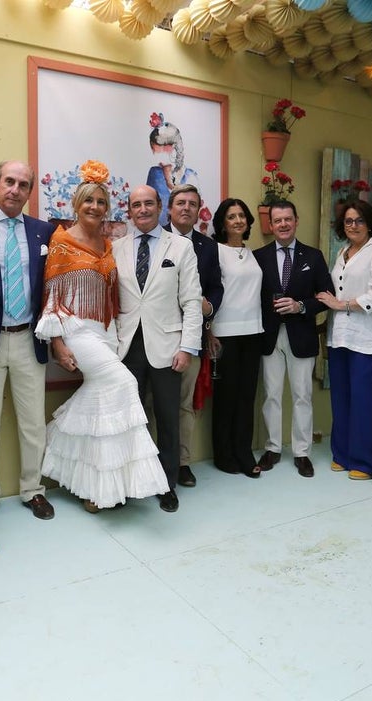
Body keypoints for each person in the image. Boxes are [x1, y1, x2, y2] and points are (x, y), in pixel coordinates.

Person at [36, 161, 168, 512]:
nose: (94, 207)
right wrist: (58, 343)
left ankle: (91, 485)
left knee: (100, 398)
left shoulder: (110, 245)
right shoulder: (61, 242)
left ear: (106, 208)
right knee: (122, 384)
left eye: (100, 202)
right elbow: (51, 299)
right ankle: (97, 484)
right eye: (88, 201)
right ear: (76, 204)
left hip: (106, 330)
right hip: (77, 330)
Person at [0, 160, 57, 523]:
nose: (15, 189)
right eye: (9, 181)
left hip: (28, 338)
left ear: (29, 191)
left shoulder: (44, 231)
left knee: (32, 422)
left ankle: (33, 490)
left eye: (23, 184)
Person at [115, 184, 203, 512]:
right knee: (130, 421)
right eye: (136, 204)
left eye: (148, 203)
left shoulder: (180, 247)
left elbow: (192, 302)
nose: (143, 210)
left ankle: (167, 485)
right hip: (127, 348)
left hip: (168, 347)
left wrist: (188, 347)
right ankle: (130, 484)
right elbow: (113, 304)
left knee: (168, 419)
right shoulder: (116, 249)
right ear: (129, 210)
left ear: (159, 206)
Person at [315, 198, 372, 480]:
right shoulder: (343, 252)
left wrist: (341, 304)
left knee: (363, 399)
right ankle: (343, 454)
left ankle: (366, 461)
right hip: (340, 337)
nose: (353, 225)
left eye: (359, 220)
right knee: (341, 397)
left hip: (367, 337)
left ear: (370, 223)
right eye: (348, 221)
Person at [253, 201, 333, 478]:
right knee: (271, 395)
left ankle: (302, 453)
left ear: (296, 221)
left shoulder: (314, 256)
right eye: (278, 220)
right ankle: (273, 448)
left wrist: (301, 306)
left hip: (302, 335)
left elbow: (326, 296)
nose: (283, 224)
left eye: (288, 219)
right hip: (269, 336)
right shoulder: (258, 257)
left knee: (302, 396)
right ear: (271, 225)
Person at [164, 183, 223, 489]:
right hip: (156, 338)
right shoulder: (153, 238)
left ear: (199, 210)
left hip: (192, 339)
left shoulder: (207, 246)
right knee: (152, 402)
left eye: (192, 204)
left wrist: (209, 307)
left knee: (185, 404)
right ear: (170, 208)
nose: (186, 208)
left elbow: (215, 286)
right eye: (180, 202)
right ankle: (154, 463)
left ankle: (183, 462)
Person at [207, 198, 264, 478]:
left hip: (253, 333)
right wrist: (210, 330)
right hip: (225, 335)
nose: (238, 220)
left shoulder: (253, 253)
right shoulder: (214, 251)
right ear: (222, 223)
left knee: (246, 398)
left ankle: (244, 452)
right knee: (226, 399)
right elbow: (208, 292)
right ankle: (224, 455)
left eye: (242, 215)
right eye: (232, 216)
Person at [145, 112, 200, 227]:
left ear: (176, 148)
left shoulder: (190, 176)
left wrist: (171, 183)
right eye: (155, 152)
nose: (160, 160)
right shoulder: (155, 173)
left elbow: (193, 214)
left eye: (165, 151)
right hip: (158, 236)